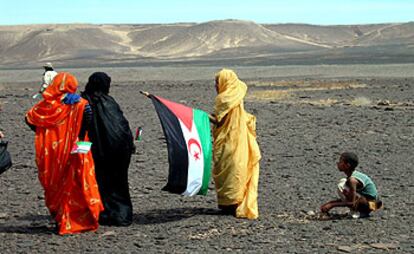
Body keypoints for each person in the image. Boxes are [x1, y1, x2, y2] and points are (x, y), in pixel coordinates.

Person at [26, 72, 103, 235]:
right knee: (78, 182)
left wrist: (45, 132)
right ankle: (78, 220)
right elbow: (87, 125)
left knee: (56, 185)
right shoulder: (82, 104)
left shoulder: (46, 106)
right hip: (78, 149)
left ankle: (61, 218)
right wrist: (81, 147)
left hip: (51, 152)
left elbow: (29, 118)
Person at [81, 72, 134, 226]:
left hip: (100, 151)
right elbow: (123, 126)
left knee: (101, 181)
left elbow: (83, 126)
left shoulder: (85, 102)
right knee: (119, 183)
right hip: (120, 150)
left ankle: (104, 212)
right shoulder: (111, 102)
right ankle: (122, 214)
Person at [211, 69, 261, 219]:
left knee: (231, 170)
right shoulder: (236, 93)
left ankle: (230, 204)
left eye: (217, 82)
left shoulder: (224, 98)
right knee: (236, 170)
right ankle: (232, 202)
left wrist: (197, 115)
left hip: (231, 140)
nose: (215, 85)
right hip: (238, 139)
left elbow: (218, 119)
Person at [320, 152, 382, 218]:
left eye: (340, 161)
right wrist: (330, 203)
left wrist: (332, 205)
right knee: (345, 185)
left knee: (342, 186)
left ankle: (359, 212)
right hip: (371, 203)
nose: (338, 163)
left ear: (347, 165)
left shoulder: (352, 180)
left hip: (372, 205)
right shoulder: (353, 176)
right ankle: (361, 211)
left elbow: (351, 202)